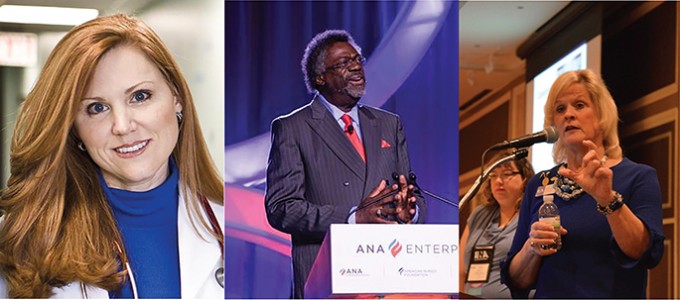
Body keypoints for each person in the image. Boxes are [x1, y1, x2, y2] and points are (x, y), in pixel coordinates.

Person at [0, 14, 224, 298]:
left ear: (176, 97)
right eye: (96, 108)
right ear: (74, 129)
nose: (122, 126)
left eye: (140, 97)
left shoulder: (236, 226)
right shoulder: (20, 240)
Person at [264, 29, 426, 298]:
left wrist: (411, 211)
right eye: (342, 63)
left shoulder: (389, 124)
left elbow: (411, 191)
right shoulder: (293, 127)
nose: (355, 66)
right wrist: (352, 218)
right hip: (328, 280)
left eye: (357, 59)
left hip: (387, 275)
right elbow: (282, 208)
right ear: (320, 78)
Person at [500, 69, 664, 298]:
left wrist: (607, 199)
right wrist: (532, 249)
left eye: (579, 105)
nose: (568, 114)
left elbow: (644, 252)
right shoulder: (540, 182)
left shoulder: (637, 177)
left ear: (601, 115)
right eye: (560, 109)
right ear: (554, 124)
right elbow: (517, 280)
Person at [459, 149, 534, 298]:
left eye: (507, 174)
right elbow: (460, 271)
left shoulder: (531, 215)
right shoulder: (479, 214)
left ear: (525, 178)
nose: (498, 181)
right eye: (493, 175)